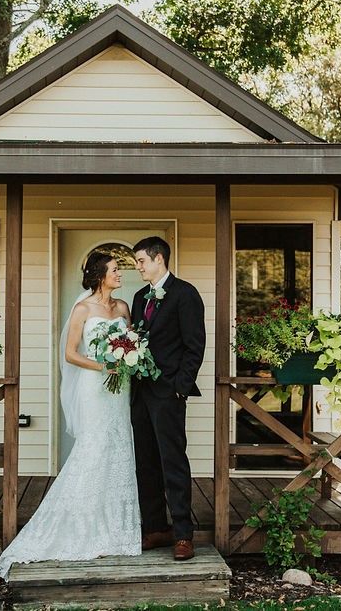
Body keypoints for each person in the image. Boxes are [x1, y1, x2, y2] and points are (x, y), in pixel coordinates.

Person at [0, 252, 141, 580]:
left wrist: (129, 355)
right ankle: (80, 526)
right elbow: (70, 353)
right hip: (95, 387)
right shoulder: (82, 309)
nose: (121, 274)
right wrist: (103, 364)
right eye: (116, 270)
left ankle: (117, 532)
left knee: (118, 448)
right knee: (94, 448)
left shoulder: (121, 308)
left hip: (120, 388)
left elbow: (130, 341)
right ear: (101, 274)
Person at [130, 236, 206, 561]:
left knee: (172, 461)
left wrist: (180, 386)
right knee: (145, 462)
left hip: (168, 393)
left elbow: (195, 345)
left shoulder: (185, 294)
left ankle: (183, 534)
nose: (138, 267)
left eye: (141, 261)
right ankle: (155, 527)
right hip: (140, 394)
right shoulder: (138, 297)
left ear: (158, 258)